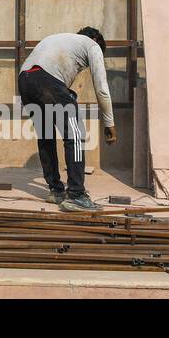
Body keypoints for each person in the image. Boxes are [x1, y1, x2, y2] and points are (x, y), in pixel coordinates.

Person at [17, 27, 118, 212]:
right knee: (75, 135)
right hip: (47, 80)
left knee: (46, 136)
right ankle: (77, 195)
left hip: (24, 80)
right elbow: (102, 89)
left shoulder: (58, 38)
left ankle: (56, 190)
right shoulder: (92, 45)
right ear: (95, 40)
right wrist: (109, 123)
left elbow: (56, 84)